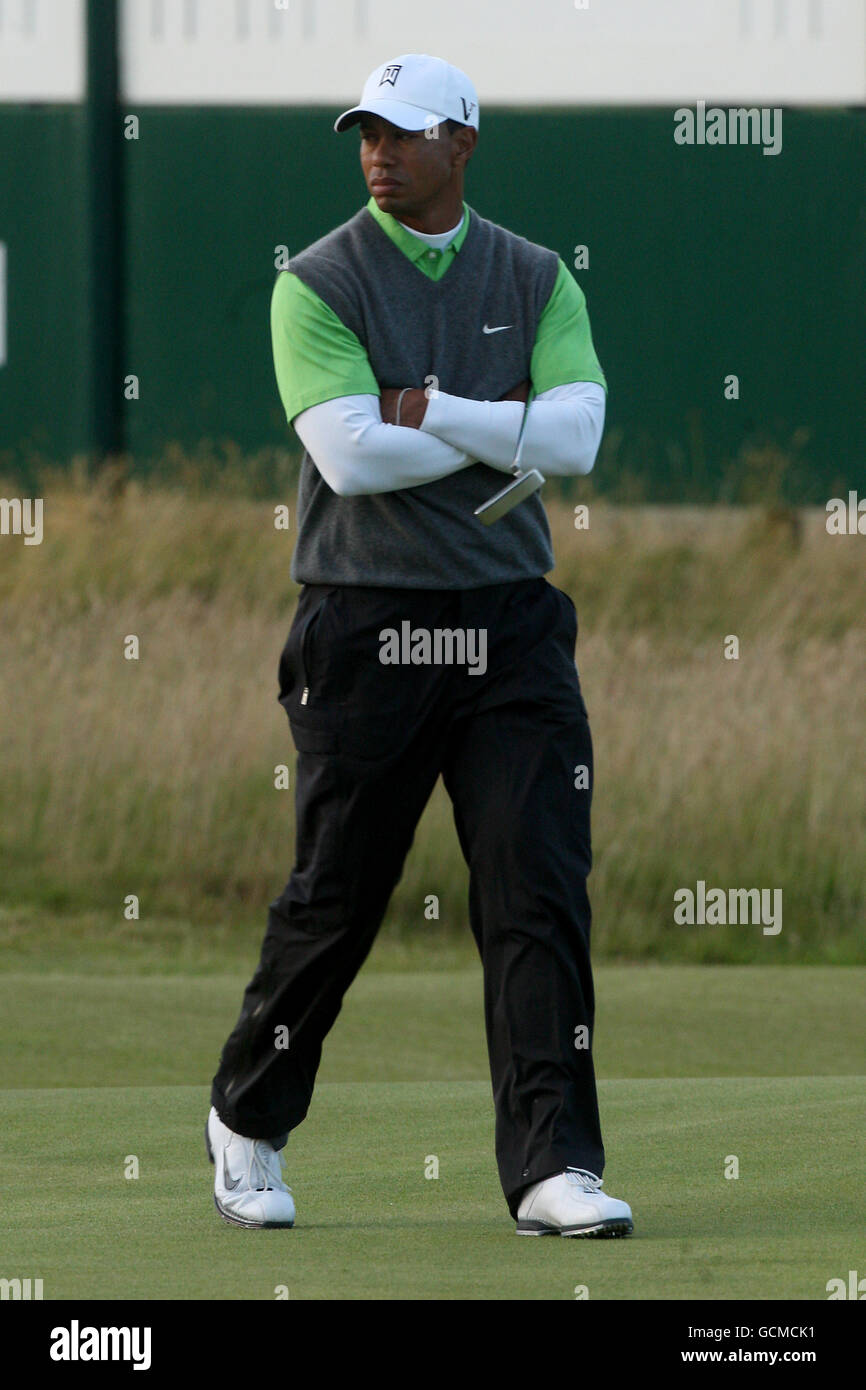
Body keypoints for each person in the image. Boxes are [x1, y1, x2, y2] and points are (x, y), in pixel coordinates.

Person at [206, 53, 633, 1239]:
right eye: (363, 134)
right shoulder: (318, 281)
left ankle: (555, 1167)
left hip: (513, 625)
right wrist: (510, 435)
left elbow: (581, 435)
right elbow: (351, 457)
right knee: (338, 897)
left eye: (401, 134)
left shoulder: (536, 277)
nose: (375, 154)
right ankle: (245, 1114)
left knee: (535, 885)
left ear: (463, 145)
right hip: (363, 623)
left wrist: (436, 410)